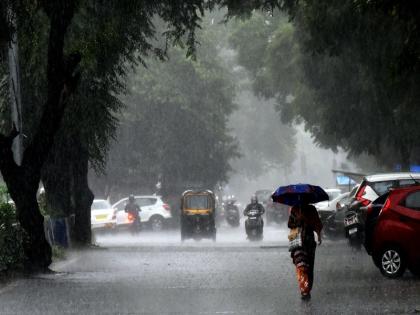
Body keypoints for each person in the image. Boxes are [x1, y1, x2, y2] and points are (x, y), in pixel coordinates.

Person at [287, 204, 323, 300]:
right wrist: (298, 220)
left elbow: (318, 224)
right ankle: (304, 290)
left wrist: (319, 235)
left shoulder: (312, 209)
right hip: (298, 242)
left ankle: (308, 288)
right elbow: (289, 224)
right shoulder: (295, 209)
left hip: (310, 242)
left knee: (309, 267)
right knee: (301, 266)